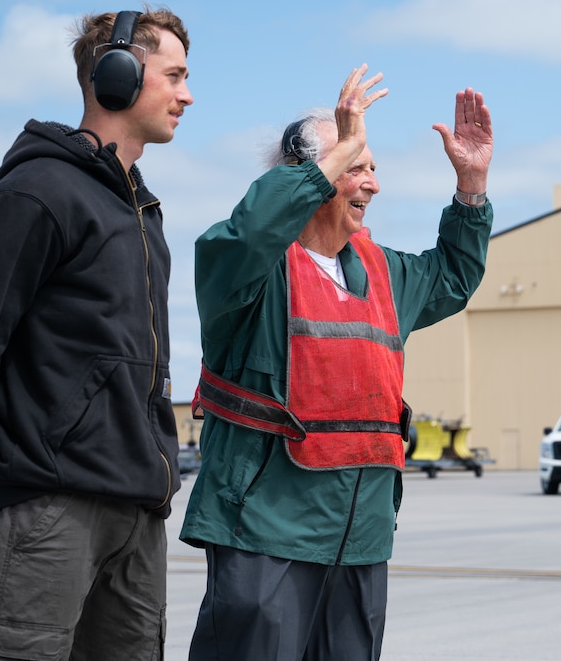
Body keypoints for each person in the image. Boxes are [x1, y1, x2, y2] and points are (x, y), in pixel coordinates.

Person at [181, 64, 494, 660]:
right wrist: (338, 150)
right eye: (354, 165)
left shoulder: (386, 274)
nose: (371, 183)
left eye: (372, 165)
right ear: (306, 176)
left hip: (362, 538)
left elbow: (454, 276)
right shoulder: (246, 273)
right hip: (265, 534)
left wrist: (471, 188)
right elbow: (247, 235)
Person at [0, 5, 193, 660]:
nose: (187, 94)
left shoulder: (143, 215)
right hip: (48, 512)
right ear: (116, 75)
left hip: (135, 517)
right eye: (174, 75)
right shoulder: (36, 195)